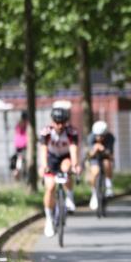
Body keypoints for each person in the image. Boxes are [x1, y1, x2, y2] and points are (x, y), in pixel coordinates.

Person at [39, 101, 81, 237]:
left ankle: (69, 197)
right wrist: (44, 165)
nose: (59, 125)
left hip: (65, 157)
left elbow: (74, 150)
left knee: (67, 167)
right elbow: (43, 150)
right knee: (50, 187)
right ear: (52, 121)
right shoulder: (46, 132)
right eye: (57, 122)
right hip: (51, 158)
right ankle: (49, 219)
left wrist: (75, 165)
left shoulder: (71, 132)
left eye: (62, 122)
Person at [86, 120, 115, 209]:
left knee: (107, 163)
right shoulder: (91, 138)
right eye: (97, 136)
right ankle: (94, 193)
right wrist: (95, 149)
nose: (99, 138)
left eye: (101, 136)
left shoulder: (110, 137)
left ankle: (108, 185)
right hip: (94, 157)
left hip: (105, 155)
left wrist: (103, 149)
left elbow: (110, 154)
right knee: (94, 172)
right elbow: (89, 154)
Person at [11, 111, 28, 180]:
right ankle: (18, 171)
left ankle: (18, 171)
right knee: (20, 159)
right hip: (23, 145)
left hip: (18, 145)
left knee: (20, 158)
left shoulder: (19, 124)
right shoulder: (25, 124)